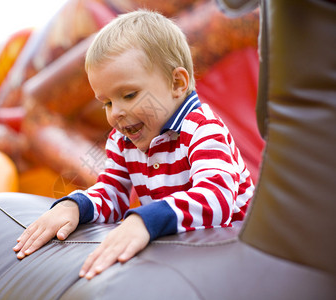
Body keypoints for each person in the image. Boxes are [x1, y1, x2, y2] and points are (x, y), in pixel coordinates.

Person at [13, 10, 255, 280]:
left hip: (235, 250)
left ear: (177, 82)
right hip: (180, 255)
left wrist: (144, 220)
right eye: (106, 102)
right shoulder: (123, 140)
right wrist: (75, 206)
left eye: (129, 95)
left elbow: (216, 199)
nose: (115, 112)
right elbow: (112, 194)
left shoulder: (203, 129)